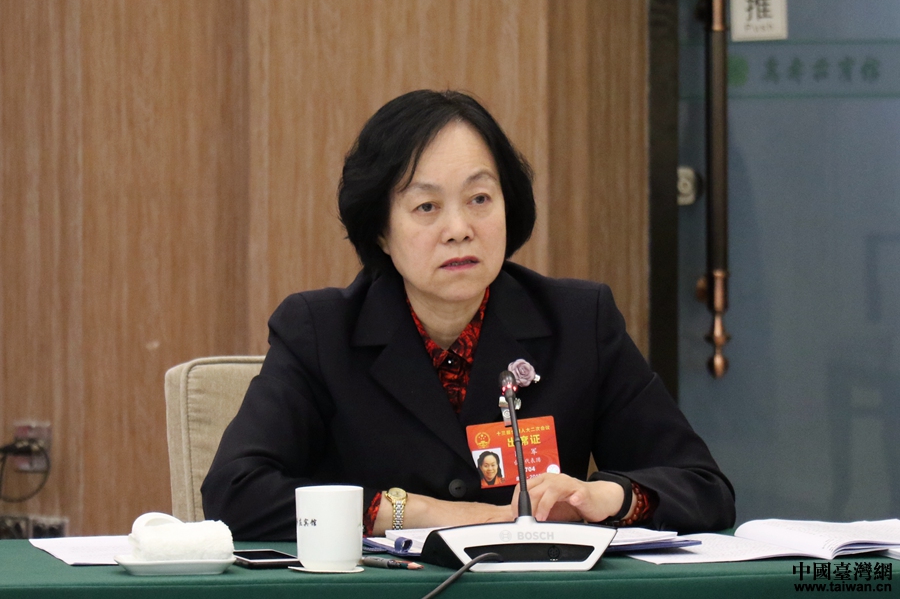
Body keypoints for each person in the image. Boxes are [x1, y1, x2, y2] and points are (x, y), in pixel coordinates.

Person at [201, 90, 736, 540]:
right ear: (381, 230)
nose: (459, 229)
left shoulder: (579, 321)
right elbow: (235, 493)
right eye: (426, 207)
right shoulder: (319, 332)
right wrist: (423, 512)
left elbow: (705, 489)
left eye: (480, 199)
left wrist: (606, 497)